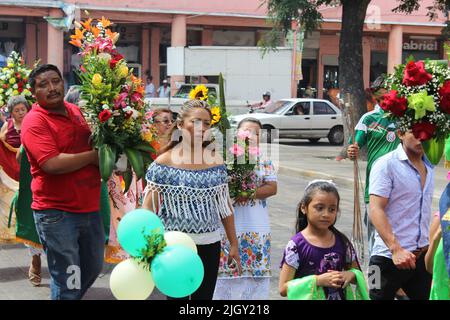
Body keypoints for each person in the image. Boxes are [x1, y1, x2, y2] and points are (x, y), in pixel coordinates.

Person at [142, 99, 241, 300]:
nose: (202, 128)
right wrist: (149, 247)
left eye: (207, 123)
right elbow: (147, 211)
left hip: (209, 245)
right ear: (180, 125)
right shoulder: (164, 163)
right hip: (173, 248)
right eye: (196, 122)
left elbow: (225, 208)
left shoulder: (216, 162)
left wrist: (233, 244)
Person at [21, 64, 104, 300]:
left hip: (88, 207)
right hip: (57, 213)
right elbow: (52, 164)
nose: (52, 88)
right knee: (68, 279)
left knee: (93, 266)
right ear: (33, 93)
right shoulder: (34, 122)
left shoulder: (76, 111)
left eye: (55, 81)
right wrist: (93, 158)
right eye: (43, 85)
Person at [214, 118, 277, 300]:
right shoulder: (225, 159)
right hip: (229, 225)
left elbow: (272, 188)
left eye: (256, 133)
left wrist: (248, 193)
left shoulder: (264, 160)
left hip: (256, 226)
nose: (252, 136)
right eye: (247, 131)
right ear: (237, 134)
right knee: (225, 273)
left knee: (254, 275)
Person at [369, 130, 434, 300]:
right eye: (415, 132)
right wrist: (396, 249)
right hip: (386, 258)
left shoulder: (430, 165)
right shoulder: (386, 164)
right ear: (400, 133)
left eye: (426, 131)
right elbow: (376, 208)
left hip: (420, 258)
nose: (422, 137)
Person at [278, 180, 364, 300]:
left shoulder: (342, 242)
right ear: (304, 208)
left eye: (332, 209)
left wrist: (349, 274)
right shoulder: (296, 246)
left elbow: (357, 274)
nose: (326, 214)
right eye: (319, 208)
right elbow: (283, 288)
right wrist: (317, 281)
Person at [347, 80, 400, 257]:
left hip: (400, 184)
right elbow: (354, 146)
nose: (383, 99)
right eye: (379, 95)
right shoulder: (368, 119)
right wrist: (352, 150)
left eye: (387, 94)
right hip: (376, 184)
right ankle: (374, 276)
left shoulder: (403, 118)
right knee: (374, 232)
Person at [0, 96, 45, 286]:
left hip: (38, 177)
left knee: (36, 219)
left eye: (23, 109)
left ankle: (38, 258)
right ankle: (36, 257)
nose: (20, 113)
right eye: (16, 110)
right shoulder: (6, 128)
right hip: (12, 179)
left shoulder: (36, 126)